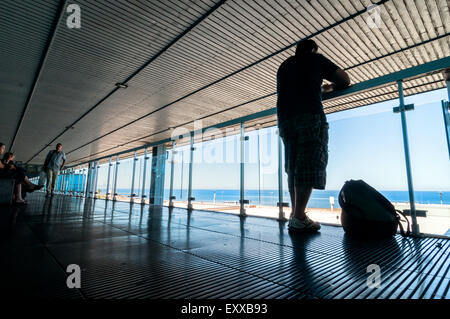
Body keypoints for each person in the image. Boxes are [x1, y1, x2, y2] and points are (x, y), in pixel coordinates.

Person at [277, 39, 350, 233]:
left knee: (293, 167)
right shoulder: (315, 59)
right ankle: (299, 217)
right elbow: (344, 80)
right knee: (308, 163)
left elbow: (297, 88)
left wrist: (317, 88)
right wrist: (328, 88)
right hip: (309, 115)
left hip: (285, 119)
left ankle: (295, 215)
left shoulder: (284, 66)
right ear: (313, 49)